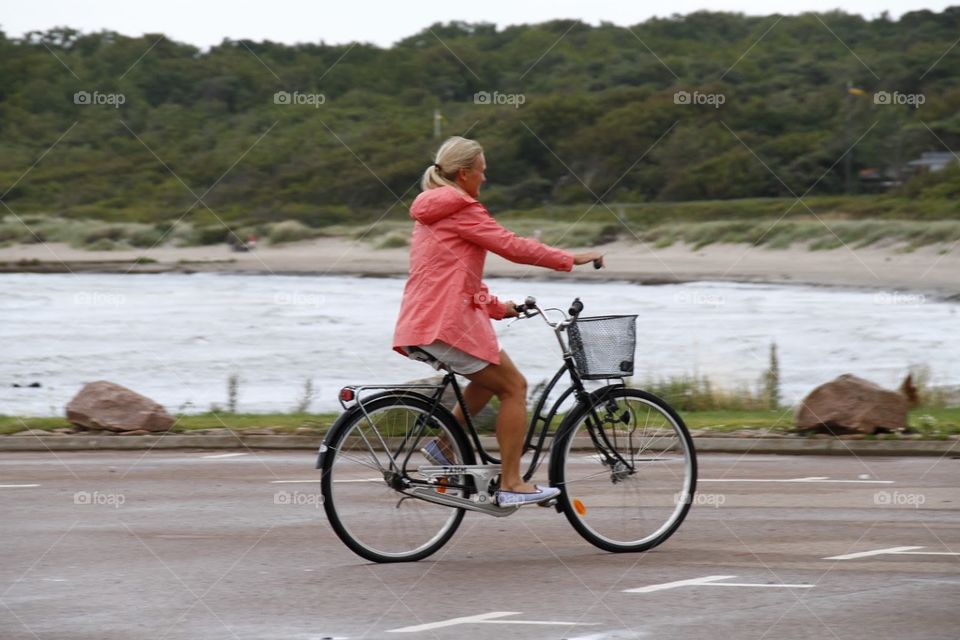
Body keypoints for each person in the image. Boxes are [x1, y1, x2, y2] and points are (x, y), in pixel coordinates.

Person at [392, 136, 604, 506]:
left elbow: (450, 274)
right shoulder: (461, 207)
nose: (484, 179)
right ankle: (511, 483)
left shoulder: (433, 212)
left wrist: (494, 306)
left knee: (489, 378)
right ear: (464, 173)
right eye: (482, 171)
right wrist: (571, 258)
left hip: (423, 319)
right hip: (446, 323)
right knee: (514, 387)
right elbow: (513, 246)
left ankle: (444, 445)